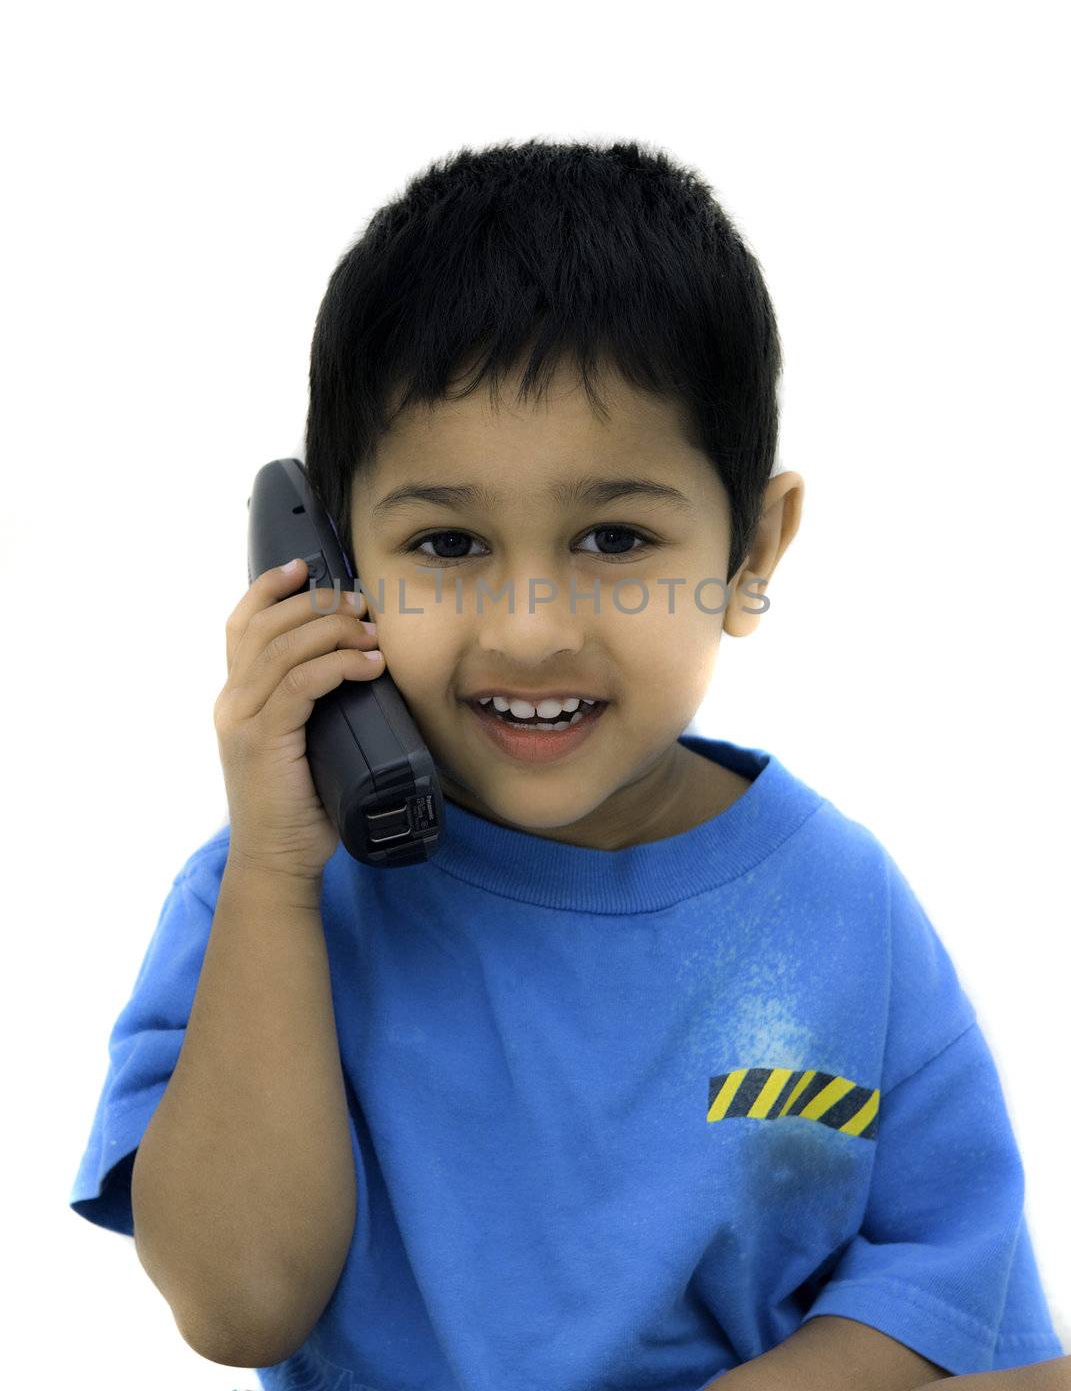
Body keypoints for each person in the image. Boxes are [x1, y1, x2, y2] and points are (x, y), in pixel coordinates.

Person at [68, 140, 1066, 1389]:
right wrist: (277, 871)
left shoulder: (842, 907)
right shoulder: (264, 903)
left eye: (614, 535)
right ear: (328, 562)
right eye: (446, 540)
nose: (532, 624)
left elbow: (966, 1301)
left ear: (754, 549)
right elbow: (239, 1303)